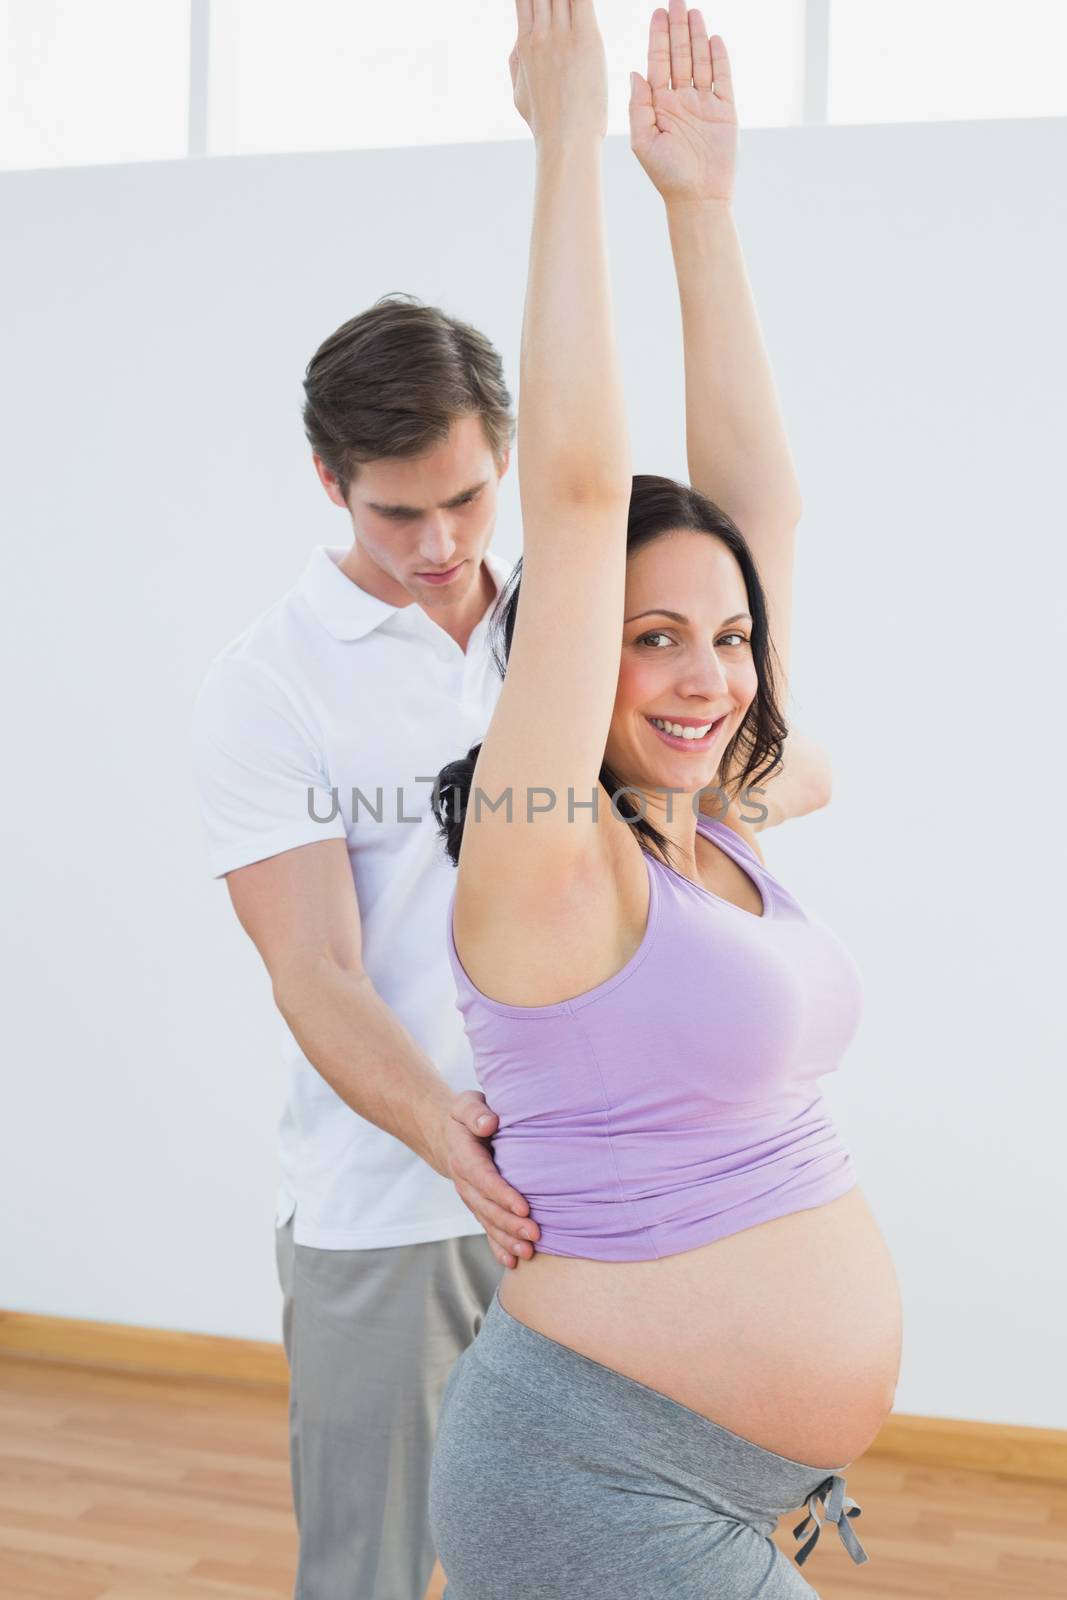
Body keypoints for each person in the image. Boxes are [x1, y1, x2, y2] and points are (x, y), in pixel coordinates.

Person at [190, 10, 833, 1597]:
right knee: (371, 1572)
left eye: (469, 498)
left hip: (595, 1200)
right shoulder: (268, 684)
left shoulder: (582, 643)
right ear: (329, 482)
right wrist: (449, 1139)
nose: (438, 542)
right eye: (399, 511)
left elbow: (732, 530)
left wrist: (697, 207)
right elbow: (315, 972)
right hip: (403, 1201)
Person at [427, 4, 903, 1598]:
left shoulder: (716, 826)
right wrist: (568, 145)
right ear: (566, 662)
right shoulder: (541, 855)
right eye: (649, 642)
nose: (708, 677)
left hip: (707, 1479)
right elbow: (571, 496)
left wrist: (703, 211)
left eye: (730, 643)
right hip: (588, 1474)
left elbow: (754, 516)